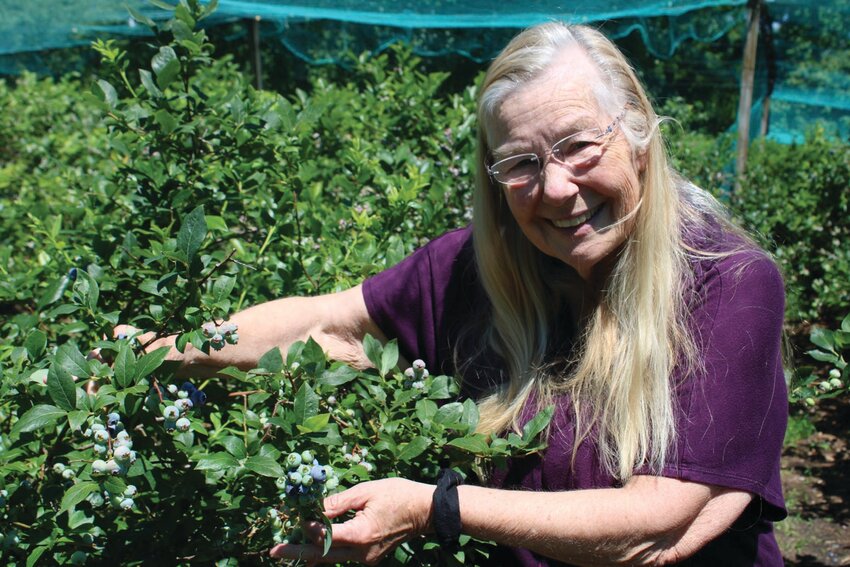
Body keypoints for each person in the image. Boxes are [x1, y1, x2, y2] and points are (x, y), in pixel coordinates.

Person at [138, 22, 788, 566]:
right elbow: (326, 325)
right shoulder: (478, 268)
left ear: (639, 134)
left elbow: (655, 525)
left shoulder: (728, 283)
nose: (556, 187)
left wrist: (436, 507)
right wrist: (155, 352)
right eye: (522, 163)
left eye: (578, 145)